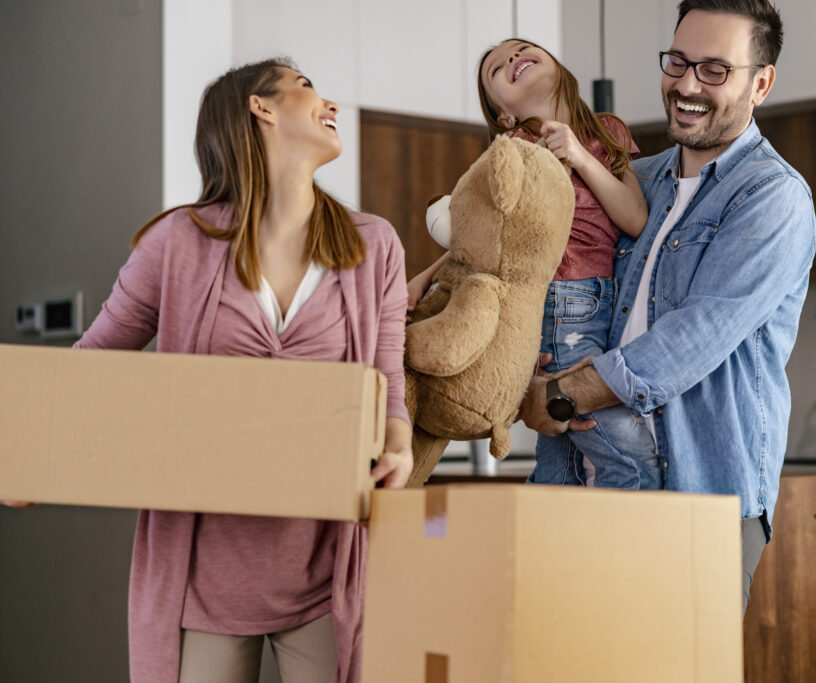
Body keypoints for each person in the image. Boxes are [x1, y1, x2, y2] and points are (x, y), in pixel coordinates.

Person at [5, 59, 413, 683]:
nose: (328, 102)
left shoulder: (372, 244)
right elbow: (89, 367)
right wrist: (30, 453)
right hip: (203, 572)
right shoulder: (175, 244)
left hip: (325, 565)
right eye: (307, 88)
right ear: (262, 108)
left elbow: (389, 381)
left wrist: (398, 447)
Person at [520, 0, 816, 614]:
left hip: (699, 493)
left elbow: (690, 340)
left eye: (714, 70)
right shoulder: (633, 178)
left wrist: (558, 394)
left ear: (760, 83)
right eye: (678, 61)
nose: (685, 85)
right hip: (582, 476)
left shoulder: (773, 198)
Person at [407, 38, 659, 489]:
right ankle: (641, 547)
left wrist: (578, 153)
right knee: (630, 455)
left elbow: (636, 218)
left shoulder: (608, 131)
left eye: (521, 49)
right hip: (559, 303)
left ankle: (544, 550)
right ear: (500, 110)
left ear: (558, 65)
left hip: (603, 306)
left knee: (560, 459)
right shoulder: (513, 150)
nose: (512, 59)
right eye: (496, 69)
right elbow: (485, 239)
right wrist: (425, 279)